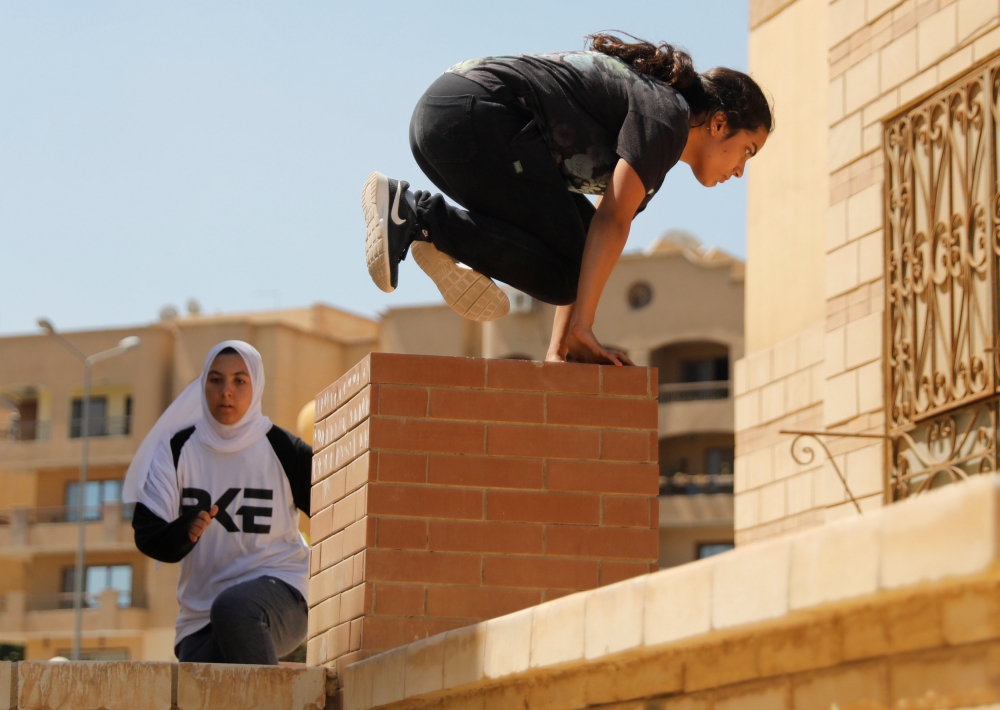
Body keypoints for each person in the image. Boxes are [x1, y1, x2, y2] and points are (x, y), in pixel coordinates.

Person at [362, 33, 772, 365]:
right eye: (747, 152)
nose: (739, 171)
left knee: (568, 268)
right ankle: (417, 216)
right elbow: (612, 221)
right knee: (567, 267)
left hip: (448, 124)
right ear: (719, 123)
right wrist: (583, 329)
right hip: (472, 117)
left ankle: (428, 227)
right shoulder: (667, 116)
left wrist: (559, 352)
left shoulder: (653, 150)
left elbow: (592, 240)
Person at [122, 341, 312, 664]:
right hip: (200, 622)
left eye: (240, 381)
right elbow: (148, 532)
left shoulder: (284, 450)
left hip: (282, 595)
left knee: (234, 609)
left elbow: (342, 509)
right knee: (209, 668)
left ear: (257, 385)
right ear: (203, 385)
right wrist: (184, 531)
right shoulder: (177, 450)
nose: (227, 391)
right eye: (216, 380)